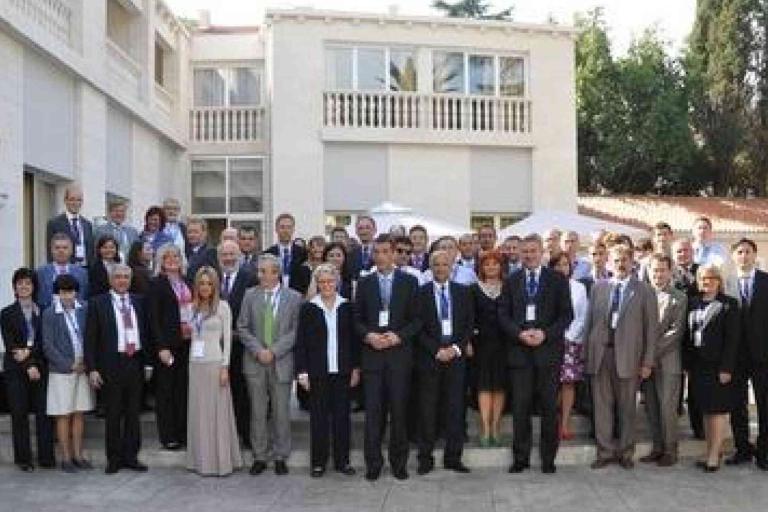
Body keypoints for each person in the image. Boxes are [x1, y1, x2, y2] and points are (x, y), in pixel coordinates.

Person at [499, 234, 572, 475]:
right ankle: (520, 458)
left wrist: (545, 334)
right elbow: (503, 315)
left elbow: (566, 315)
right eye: (525, 251)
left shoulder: (557, 279)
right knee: (520, 408)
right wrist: (519, 334)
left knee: (549, 408)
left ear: (542, 253)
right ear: (519, 254)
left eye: (533, 251)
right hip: (519, 354)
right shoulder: (511, 280)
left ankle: (548, 458)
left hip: (548, 353)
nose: (529, 255)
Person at [353, 234, 421, 481]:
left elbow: (417, 320)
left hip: (399, 358)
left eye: (384, 251)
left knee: (399, 413)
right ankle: (373, 463)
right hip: (372, 357)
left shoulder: (409, 282)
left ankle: (399, 463)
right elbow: (357, 320)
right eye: (376, 252)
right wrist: (369, 335)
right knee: (374, 414)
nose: (380, 256)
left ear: (394, 254)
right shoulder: (365, 283)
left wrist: (398, 336)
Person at [585, 244, 657, 470]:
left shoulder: (644, 290)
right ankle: (604, 452)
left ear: (632, 262)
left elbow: (651, 330)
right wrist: (587, 355)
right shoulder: (599, 288)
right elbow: (589, 324)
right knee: (602, 407)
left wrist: (647, 361)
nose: (621, 264)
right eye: (616, 260)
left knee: (627, 408)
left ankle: (626, 452)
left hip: (629, 357)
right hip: (601, 355)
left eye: (625, 259)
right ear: (609, 262)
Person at [238, 254, 303, 476]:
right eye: (259, 271)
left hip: (281, 361)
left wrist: (273, 351)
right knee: (257, 411)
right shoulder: (250, 295)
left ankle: (280, 455)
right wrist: (259, 350)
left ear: (275, 272)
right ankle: (260, 456)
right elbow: (243, 327)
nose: (260, 275)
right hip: (255, 362)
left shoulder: (294, 297)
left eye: (264, 271)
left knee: (281, 411)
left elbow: (296, 331)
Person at [295, 263, 360, 477]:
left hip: (342, 372)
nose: (326, 285)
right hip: (317, 372)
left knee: (342, 418)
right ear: (317, 284)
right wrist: (302, 371)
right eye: (321, 282)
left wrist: (355, 369)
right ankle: (318, 462)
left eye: (330, 281)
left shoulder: (347, 307)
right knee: (319, 419)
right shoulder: (308, 308)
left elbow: (354, 342)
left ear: (337, 282)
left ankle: (343, 461)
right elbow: (301, 343)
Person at [84, 264, 149, 474]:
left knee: (133, 413)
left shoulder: (139, 302)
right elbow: (90, 339)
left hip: (135, 362)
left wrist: (147, 363)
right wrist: (92, 368)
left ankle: (131, 456)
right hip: (111, 364)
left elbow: (146, 334)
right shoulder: (97, 303)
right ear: (111, 280)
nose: (122, 280)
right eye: (118, 277)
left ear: (130, 280)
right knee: (113, 413)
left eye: (125, 277)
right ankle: (114, 458)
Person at [416, 250, 473, 475]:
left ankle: (453, 457)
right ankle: (425, 458)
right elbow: (417, 325)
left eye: (445, 264)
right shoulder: (420, 294)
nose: (440, 269)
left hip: (456, 358)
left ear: (452, 267)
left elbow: (469, 324)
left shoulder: (463, 292)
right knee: (427, 409)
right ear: (430, 268)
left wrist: (457, 348)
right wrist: (436, 350)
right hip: (430, 358)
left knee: (455, 409)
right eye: (436, 265)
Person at [184, 266, 243, 476]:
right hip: (195, 364)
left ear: (215, 285)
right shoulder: (191, 308)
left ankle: (221, 461)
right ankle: (200, 461)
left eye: (209, 283)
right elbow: (189, 337)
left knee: (217, 413)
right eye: (202, 283)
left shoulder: (223, 307)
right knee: (199, 411)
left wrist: (225, 367)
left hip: (215, 363)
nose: (205, 287)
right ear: (197, 285)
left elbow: (227, 340)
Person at [684, 264, 739, 472]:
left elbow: (733, 340)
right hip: (698, 367)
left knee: (716, 411)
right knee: (705, 411)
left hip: (718, 367)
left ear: (719, 281)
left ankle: (714, 456)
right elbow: (689, 337)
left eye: (710, 278)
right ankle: (710, 451)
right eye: (702, 278)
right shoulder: (693, 303)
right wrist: (688, 365)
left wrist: (727, 368)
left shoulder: (728, 305)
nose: (706, 282)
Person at [0, 268, 55, 471]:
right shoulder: (6, 313)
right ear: (14, 287)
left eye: (28, 283)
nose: (24, 286)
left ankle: (46, 457)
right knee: (19, 414)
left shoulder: (43, 310)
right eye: (20, 283)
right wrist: (27, 363)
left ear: (34, 287)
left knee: (44, 413)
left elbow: (44, 342)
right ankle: (23, 459)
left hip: (40, 367)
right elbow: (11, 345)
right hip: (15, 370)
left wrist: (30, 359)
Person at [42, 274, 94, 473]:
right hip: (62, 371)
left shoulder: (84, 309)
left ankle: (78, 455)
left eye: (70, 292)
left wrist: (86, 362)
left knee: (79, 413)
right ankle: (65, 458)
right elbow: (48, 346)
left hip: (83, 368)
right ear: (57, 293)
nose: (67, 296)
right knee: (63, 415)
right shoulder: (49, 314)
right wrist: (69, 365)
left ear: (76, 292)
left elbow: (90, 336)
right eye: (63, 292)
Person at [639, 254, 687, 467]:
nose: (658, 275)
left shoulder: (679, 297)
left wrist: (649, 355)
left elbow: (675, 333)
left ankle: (670, 450)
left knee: (667, 407)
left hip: (666, 361)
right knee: (651, 406)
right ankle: (657, 447)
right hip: (645, 363)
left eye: (662, 270)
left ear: (670, 271)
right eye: (654, 270)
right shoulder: (642, 295)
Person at [725, 238, 768, 469]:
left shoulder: (766, 281)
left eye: (748, 252)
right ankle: (742, 449)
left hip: (763, 357)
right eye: (739, 252)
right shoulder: (727, 284)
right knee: (737, 406)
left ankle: (764, 453)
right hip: (735, 358)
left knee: (764, 406)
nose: (744, 256)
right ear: (733, 256)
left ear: (754, 255)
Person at [147, 243, 192, 450]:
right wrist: (161, 347)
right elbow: (153, 318)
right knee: (166, 391)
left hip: (189, 343)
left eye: (176, 256)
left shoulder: (187, 281)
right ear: (161, 261)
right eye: (167, 257)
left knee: (183, 390)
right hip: (168, 346)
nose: (173, 260)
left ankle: (183, 432)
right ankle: (168, 436)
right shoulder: (156, 284)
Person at [217, 240, 256, 449]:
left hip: (241, 345)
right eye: (225, 254)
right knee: (221, 392)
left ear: (239, 255)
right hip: (218, 346)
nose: (229, 258)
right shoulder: (212, 279)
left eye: (232, 254)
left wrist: (238, 332)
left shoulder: (250, 278)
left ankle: (246, 435)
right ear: (219, 257)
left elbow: (254, 312)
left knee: (242, 392)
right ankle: (224, 436)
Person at [548, 252, 588, 441]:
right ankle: (552, 423)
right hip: (549, 341)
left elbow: (583, 316)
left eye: (565, 264)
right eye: (558, 265)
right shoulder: (545, 287)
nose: (562, 268)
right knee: (551, 383)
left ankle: (564, 424)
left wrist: (569, 336)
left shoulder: (579, 287)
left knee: (568, 383)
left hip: (571, 342)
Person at [471, 250, 507, 447]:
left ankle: (495, 426)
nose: (491, 267)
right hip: (481, 344)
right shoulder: (473, 289)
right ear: (481, 267)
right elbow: (469, 318)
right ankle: (485, 428)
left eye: (495, 264)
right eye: (487, 264)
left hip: (504, 343)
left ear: (501, 266)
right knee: (484, 385)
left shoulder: (508, 287)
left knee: (500, 386)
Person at [36, 233, 89, 309]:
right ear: (51, 250)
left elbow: (84, 298)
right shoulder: (41, 273)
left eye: (65, 248)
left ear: (71, 250)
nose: (61, 251)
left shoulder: (82, 273)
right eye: (57, 248)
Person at [45, 184, 94, 267]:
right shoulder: (54, 223)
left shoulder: (87, 224)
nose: (75, 203)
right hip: (65, 270)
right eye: (72, 200)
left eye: (79, 200)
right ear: (65, 200)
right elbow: (50, 252)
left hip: (85, 270)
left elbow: (91, 251)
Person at [264, 213, 309, 294]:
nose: (285, 231)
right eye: (282, 227)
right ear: (276, 229)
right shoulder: (268, 254)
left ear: (293, 229)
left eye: (289, 227)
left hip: (297, 297)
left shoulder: (303, 253)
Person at [185, 217, 219, 282]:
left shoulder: (210, 252)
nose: (192, 235)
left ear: (204, 233)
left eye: (195, 232)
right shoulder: (186, 252)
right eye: (189, 232)